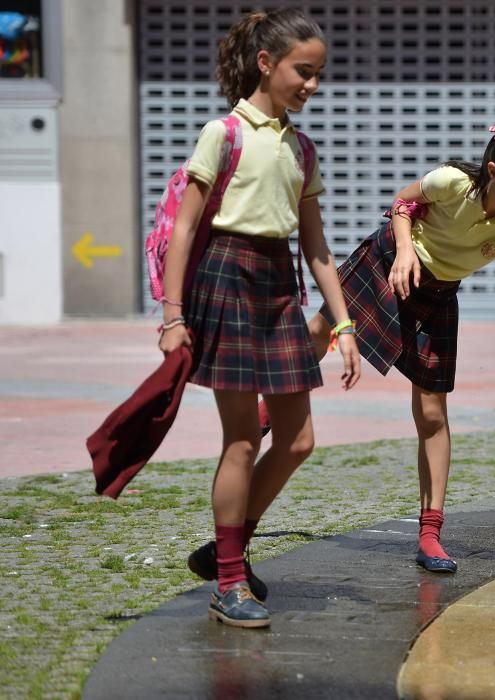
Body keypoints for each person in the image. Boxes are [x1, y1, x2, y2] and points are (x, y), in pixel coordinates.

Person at [281, 124, 495, 574]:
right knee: (320, 331)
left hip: (438, 296)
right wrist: (403, 249)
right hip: (389, 264)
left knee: (433, 414)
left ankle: (430, 533)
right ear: (494, 172)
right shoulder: (451, 182)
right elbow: (402, 202)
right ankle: (274, 403)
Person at [159, 8, 361, 628]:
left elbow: (318, 247)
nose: (312, 85)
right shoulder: (223, 133)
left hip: (279, 285)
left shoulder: (302, 146)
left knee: (298, 439)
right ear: (267, 63)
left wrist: (345, 324)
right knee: (243, 439)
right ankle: (228, 581)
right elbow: (186, 228)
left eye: (319, 74)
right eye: (304, 71)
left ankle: (224, 553)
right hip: (226, 279)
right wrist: (172, 315)